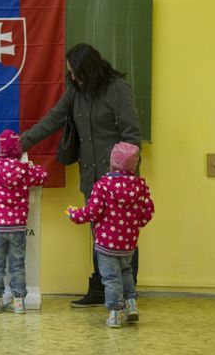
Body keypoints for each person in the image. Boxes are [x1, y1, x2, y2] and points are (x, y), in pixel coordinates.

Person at [20, 43, 143, 308]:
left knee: (122, 237)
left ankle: (125, 294)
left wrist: (124, 176)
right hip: (92, 179)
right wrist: (22, 143)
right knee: (100, 236)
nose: (72, 77)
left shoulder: (117, 90)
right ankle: (101, 290)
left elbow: (132, 136)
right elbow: (53, 120)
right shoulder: (76, 91)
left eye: (75, 72)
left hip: (120, 183)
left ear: (89, 69)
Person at [66, 142, 154, 327]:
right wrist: (135, 225)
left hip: (106, 243)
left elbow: (92, 212)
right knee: (126, 272)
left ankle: (115, 312)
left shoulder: (103, 185)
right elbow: (148, 212)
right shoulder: (140, 185)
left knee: (111, 277)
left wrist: (74, 214)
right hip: (128, 242)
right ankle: (131, 304)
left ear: (112, 161)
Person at [0, 129, 49, 314]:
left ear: (1, 150)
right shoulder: (25, 170)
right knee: (17, 264)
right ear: (18, 150)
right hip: (18, 228)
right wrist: (33, 166)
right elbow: (43, 176)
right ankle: (19, 302)